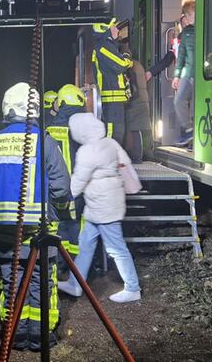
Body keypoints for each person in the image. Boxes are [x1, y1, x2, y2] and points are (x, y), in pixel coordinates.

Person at [0, 82, 72, 351]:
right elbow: (62, 187)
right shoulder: (44, 141)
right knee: (41, 283)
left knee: (11, 282)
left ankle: (16, 335)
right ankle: (41, 337)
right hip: (40, 229)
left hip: (3, 231)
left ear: (7, 109)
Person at [58, 112, 142, 303]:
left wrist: (62, 196)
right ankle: (75, 283)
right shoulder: (110, 142)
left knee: (116, 248)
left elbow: (79, 181)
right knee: (86, 244)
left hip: (102, 205)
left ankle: (133, 287)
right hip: (106, 202)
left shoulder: (87, 151)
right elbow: (125, 164)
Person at [46, 84, 86, 274]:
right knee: (76, 228)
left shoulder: (48, 128)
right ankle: (78, 269)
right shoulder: (84, 127)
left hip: (56, 188)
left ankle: (59, 265)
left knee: (58, 228)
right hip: (79, 190)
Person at [91, 18, 132, 146]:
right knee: (113, 134)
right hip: (112, 101)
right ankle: (109, 163)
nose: (117, 29)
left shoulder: (107, 46)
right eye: (114, 26)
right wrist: (127, 56)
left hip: (115, 101)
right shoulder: (104, 47)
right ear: (106, 30)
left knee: (117, 134)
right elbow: (120, 64)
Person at [120, 43, 150, 164]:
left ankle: (135, 157)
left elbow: (129, 86)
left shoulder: (128, 66)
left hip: (134, 102)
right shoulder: (139, 65)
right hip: (142, 100)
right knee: (137, 130)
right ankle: (139, 156)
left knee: (132, 130)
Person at [172, 1, 196, 146]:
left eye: (189, 15)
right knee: (179, 100)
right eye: (187, 15)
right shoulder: (186, 32)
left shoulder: (205, 28)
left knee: (194, 107)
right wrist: (176, 75)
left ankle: (193, 140)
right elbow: (181, 55)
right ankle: (189, 130)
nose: (188, 18)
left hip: (200, 74)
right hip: (189, 74)